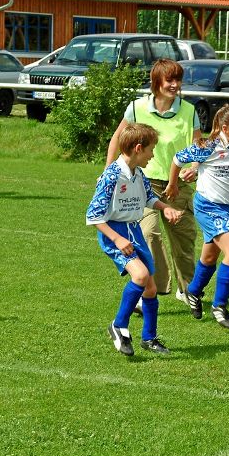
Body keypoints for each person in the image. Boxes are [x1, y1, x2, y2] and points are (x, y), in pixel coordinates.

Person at [106, 59, 201, 304]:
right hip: (142, 183)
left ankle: (188, 290)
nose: (174, 85)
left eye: (178, 80)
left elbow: (198, 147)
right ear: (156, 81)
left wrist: (194, 167)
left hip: (177, 185)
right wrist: (108, 171)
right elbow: (117, 138)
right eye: (169, 80)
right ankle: (153, 288)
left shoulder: (189, 111)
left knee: (184, 240)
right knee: (148, 234)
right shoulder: (137, 108)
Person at [87, 123, 183, 356]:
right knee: (140, 276)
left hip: (134, 232)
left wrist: (165, 208)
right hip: (115, 233)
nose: (152, 155)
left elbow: (149, 198)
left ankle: (149, 338)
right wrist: (118, 240)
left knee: (150, 288)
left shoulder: (138, 174)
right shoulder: (111, 176)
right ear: (138, 148)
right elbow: (93, 215)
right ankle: (119, 325)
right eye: (151, 149)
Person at [168, 104, 229, 329]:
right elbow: (178, 158)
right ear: (226, 128)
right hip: (208, 206)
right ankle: (220, 306)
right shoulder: (209, 147)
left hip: (227, 209)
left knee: (209, 258)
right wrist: (173, 184)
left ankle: (193, 292)